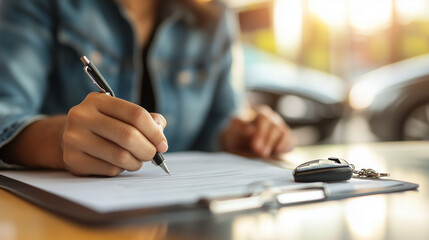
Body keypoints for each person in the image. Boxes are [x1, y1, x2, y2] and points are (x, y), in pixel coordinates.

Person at [0, 0, 294, 176]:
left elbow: (220, 121)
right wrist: (59, 141)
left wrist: (241, 134)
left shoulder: (213, 15)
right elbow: (5, 114)